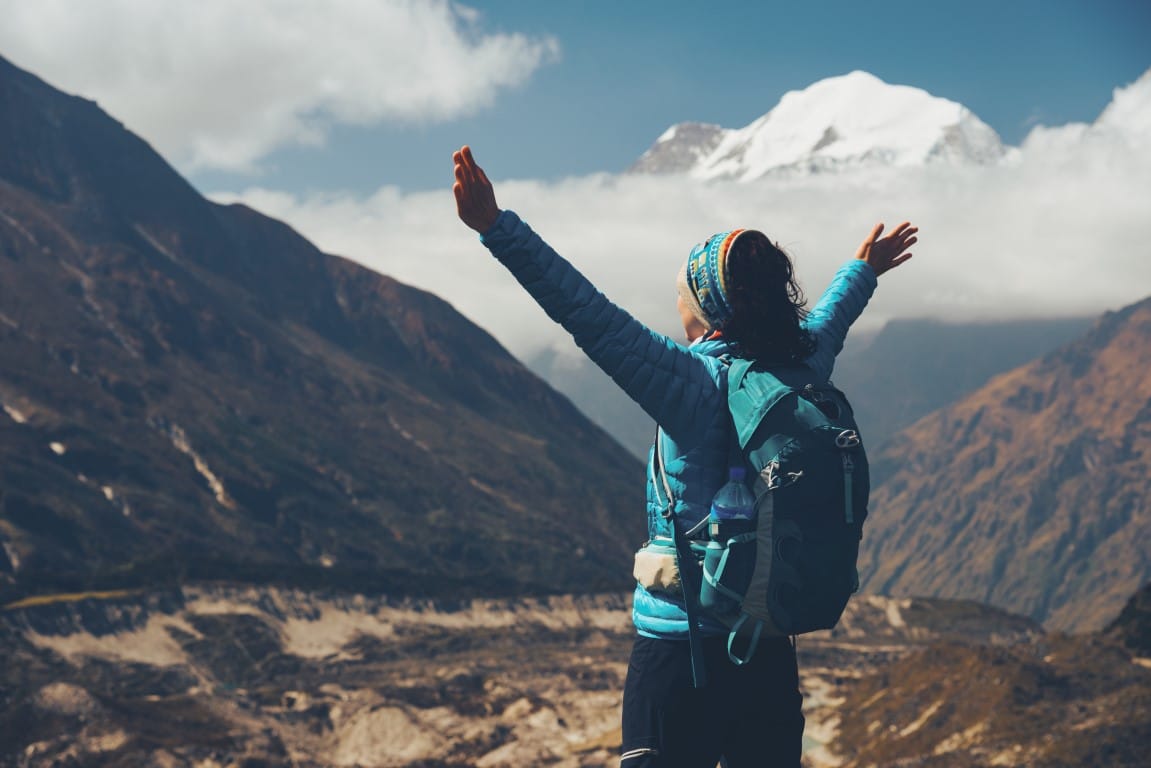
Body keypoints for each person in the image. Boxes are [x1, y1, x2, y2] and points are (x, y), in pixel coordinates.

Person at [452, 145, 916, 767]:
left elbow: (585, 312)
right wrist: (862, 272)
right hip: (766, 639)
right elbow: (829, 322)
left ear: (704, 304)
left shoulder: (684, 382)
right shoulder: (799, 366)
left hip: (681, 651)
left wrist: (497, 229)